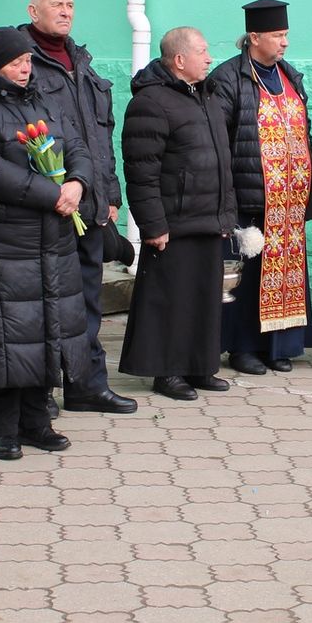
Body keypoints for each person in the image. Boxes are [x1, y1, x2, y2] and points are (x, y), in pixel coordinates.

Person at [0, 27, 93, 458]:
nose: (24, 68)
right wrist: (52, 195)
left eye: (28, 61)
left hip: (53, 239)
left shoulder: (43, 99)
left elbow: (77, 147)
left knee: (46, 330)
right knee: (5, 334)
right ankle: (2, 429)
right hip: (4, 241)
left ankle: (38, 421)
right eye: (16, 62)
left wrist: (77, 183)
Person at [21, 0, 138, 414]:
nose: (66, 11)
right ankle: (41, 391)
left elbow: (100, 135)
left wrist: (109, 192)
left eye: (71, 4)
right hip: (48, 204)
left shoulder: (81, 62)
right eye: (57, 5)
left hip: (88, 201)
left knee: (88, 298)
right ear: (34, 11)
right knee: (45, 301)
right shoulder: (22, 60)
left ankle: (86, 384)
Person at [120, 27, 239, 399]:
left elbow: (222, 163)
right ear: (180, 60)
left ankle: (199, 366)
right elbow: (141, 170)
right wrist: (152, 224)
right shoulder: (151, 102)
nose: (209, 59)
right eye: (203, 52)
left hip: (206, 218)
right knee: (170, 300)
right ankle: (167, 371)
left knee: (203, 298)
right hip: (174, 222)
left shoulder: (206, 97)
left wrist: (226, 216)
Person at [209, 0, 312, 376]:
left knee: (285, 272)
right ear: (254, 37)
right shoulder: (228, 79)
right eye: (277, 35)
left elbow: (303, 134)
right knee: (248, 276)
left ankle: (278, 345)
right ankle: (242, 349)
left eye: (286, 35)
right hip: (250, 193)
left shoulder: (290, 76)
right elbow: (219, 142)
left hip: (289, 199)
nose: (284, 42)